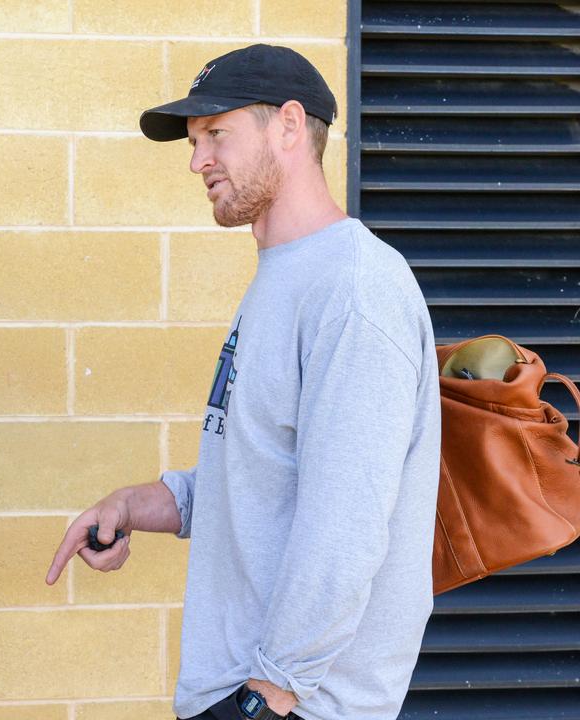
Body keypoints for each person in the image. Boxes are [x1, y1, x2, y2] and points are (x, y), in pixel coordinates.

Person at [46, 44, 441, 720]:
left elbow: (345, 527)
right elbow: (265, 479)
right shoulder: (284, 276)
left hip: (298, 705)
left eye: (215, 134)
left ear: (289, 125)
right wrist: (136, 505)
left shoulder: (353, 290)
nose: (198, 160)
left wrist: (268, 696)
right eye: (196, 140)